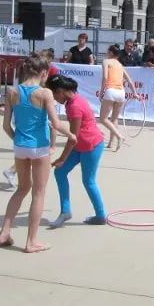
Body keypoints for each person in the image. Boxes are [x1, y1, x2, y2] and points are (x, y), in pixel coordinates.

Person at [0, 55, 75, 253]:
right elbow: (55, 123)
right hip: (39, 147)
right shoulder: (44, 93)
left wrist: (18, 140)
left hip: (20, 146)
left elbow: (6, 126)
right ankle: (31, 241)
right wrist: (71, 134)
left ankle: (4, 232)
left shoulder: (12, 91)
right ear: (43, 73)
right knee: (38, 193)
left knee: (22, 189)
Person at [48, 75, 108, 227]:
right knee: (60, 172)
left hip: (91, 146)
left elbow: (72, 138)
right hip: (80, 145)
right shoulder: (72, 100)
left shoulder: (74, 106)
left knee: (88, 181)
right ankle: (65, 211)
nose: (54, 98)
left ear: (61, 91)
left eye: (54, 94)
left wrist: (62, 158)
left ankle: (101, 215)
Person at [100, 44, 139, 151]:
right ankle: (111, 143)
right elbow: (130, 81)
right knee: (114, 118)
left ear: (111, 53)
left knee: (103, 118)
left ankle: (119, 136)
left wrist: (101, 92)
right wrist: (134, 93)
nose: (106, 53)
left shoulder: (106, 61)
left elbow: (105, 77)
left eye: (108, 51)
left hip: (111, 90)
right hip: (121, 92)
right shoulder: (120, 65)